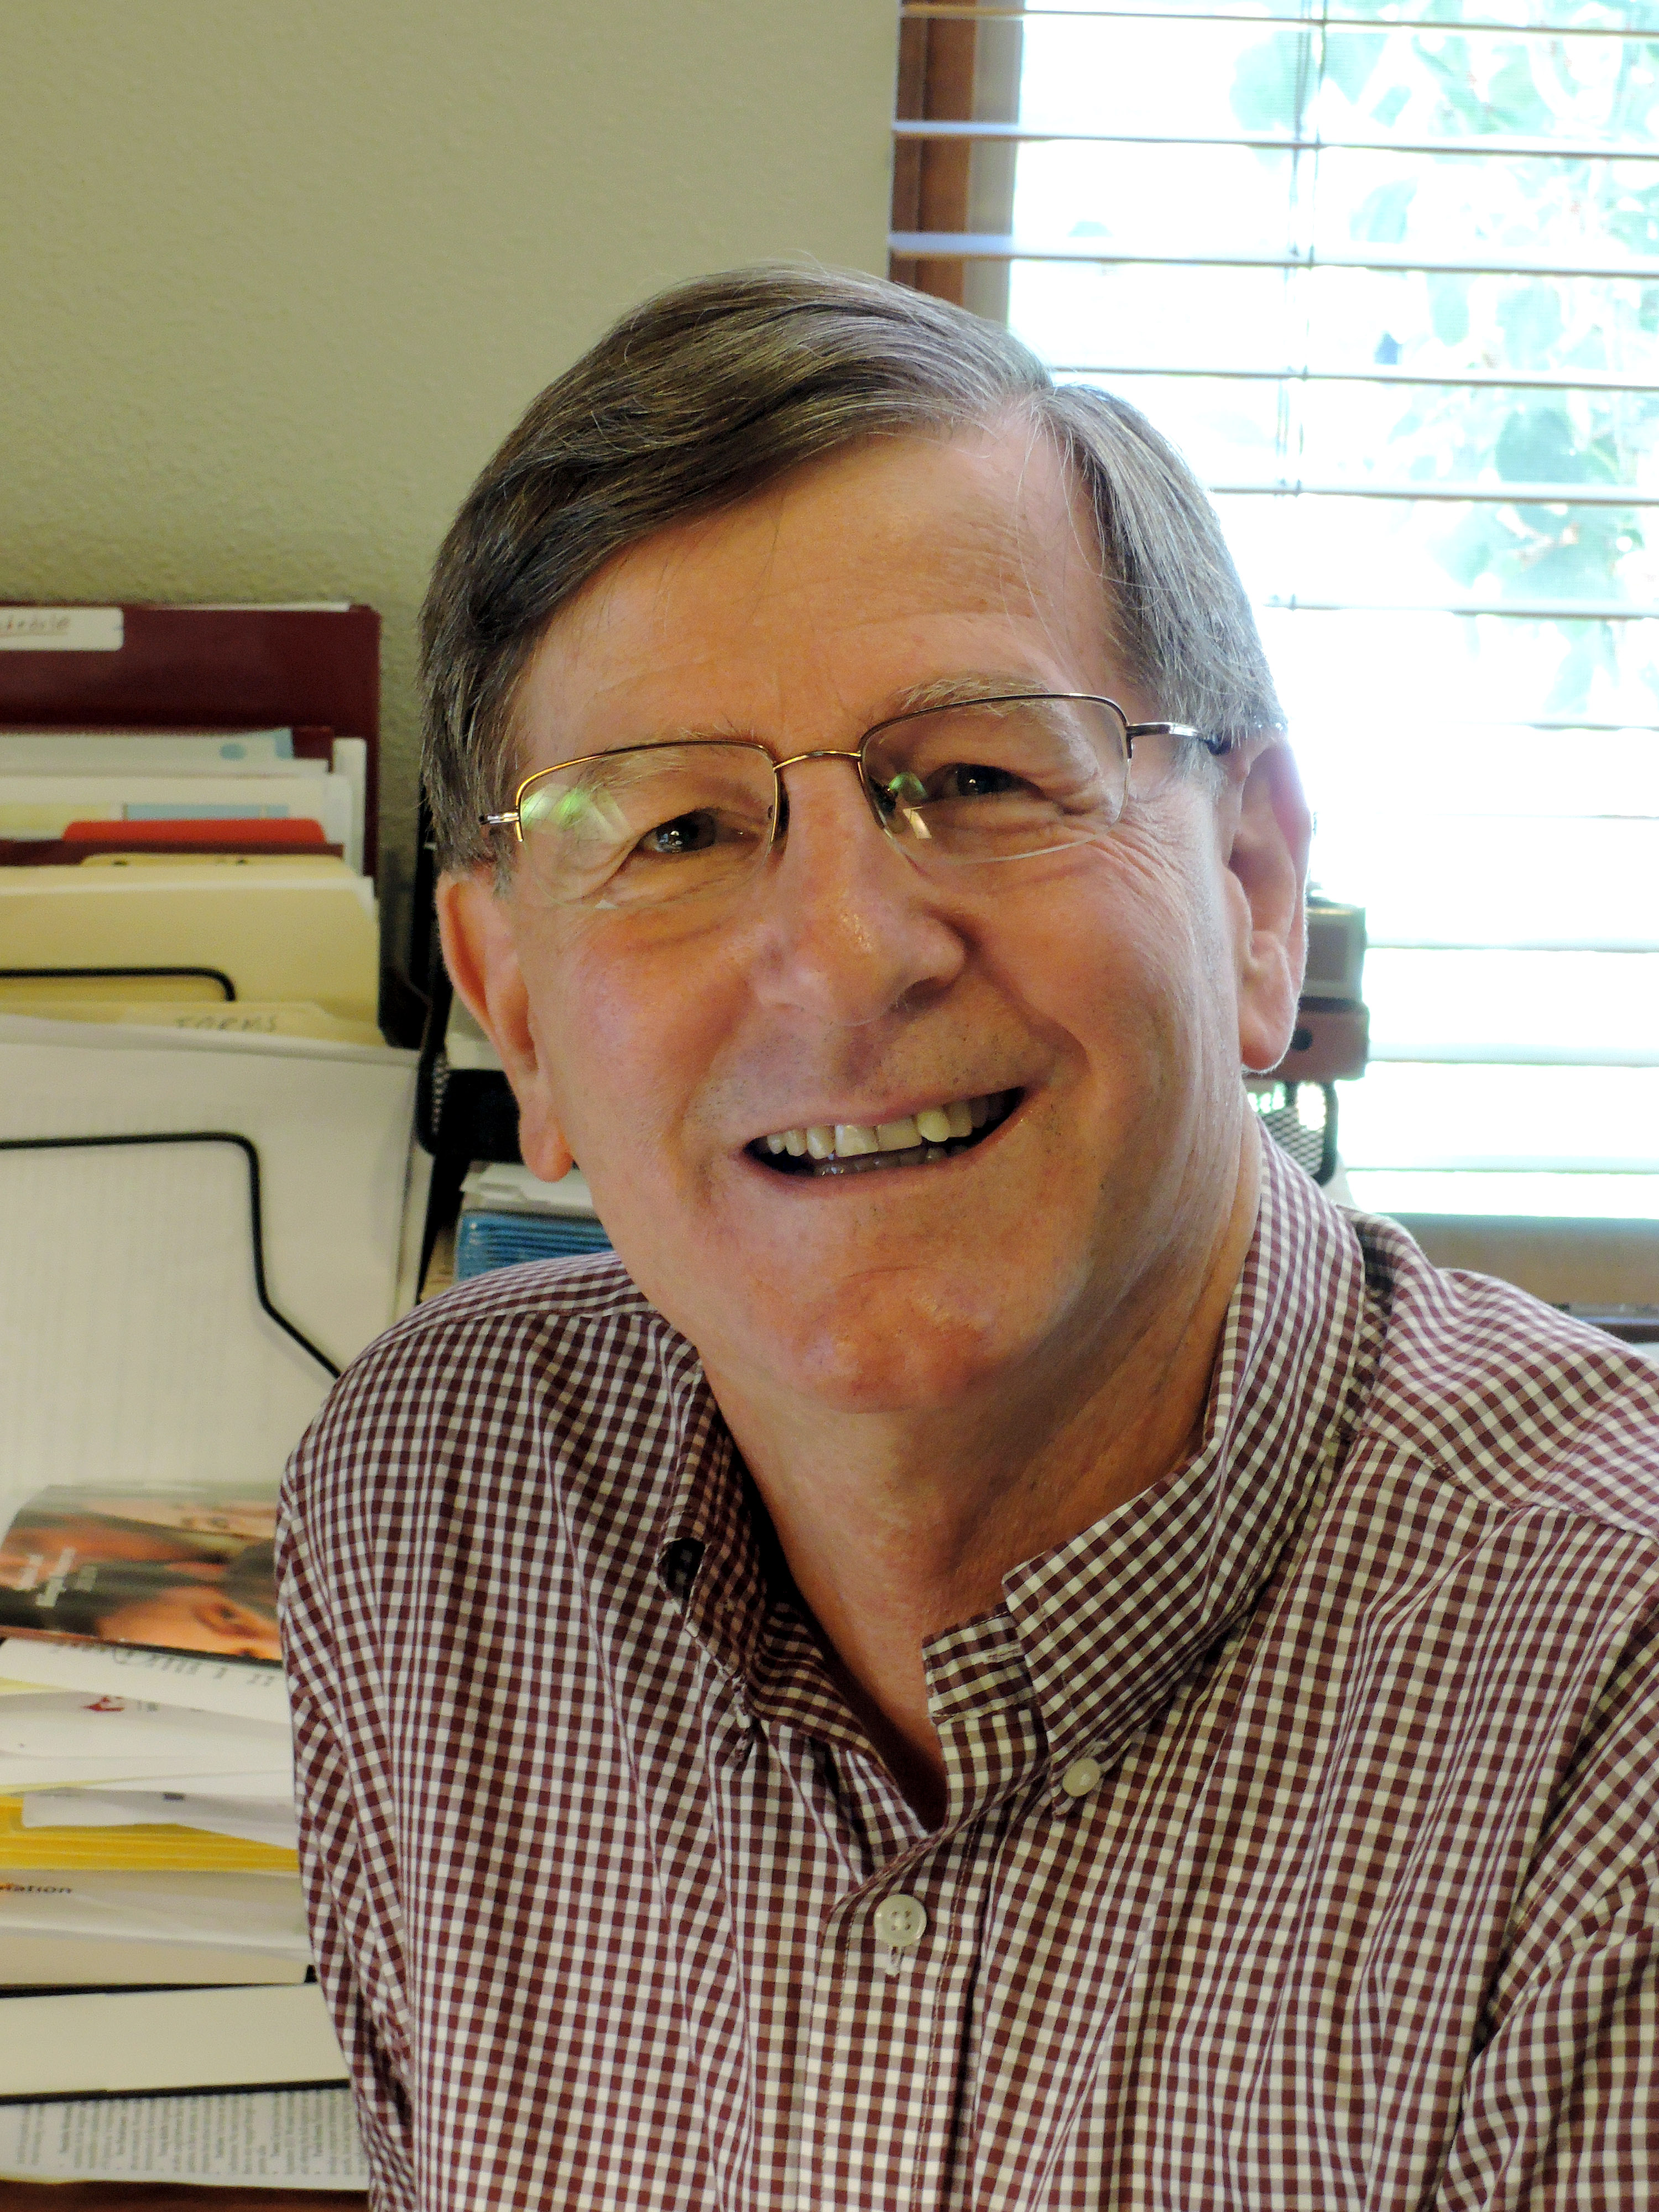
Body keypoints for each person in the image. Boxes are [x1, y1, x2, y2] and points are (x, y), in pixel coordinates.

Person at [276, 266, 1659, 2210]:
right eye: (672, 831)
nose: (843, 958)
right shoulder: (433, 1518)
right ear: (515, 1015)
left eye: (983, 779)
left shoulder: (1616, 1698)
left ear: (1256, 894)